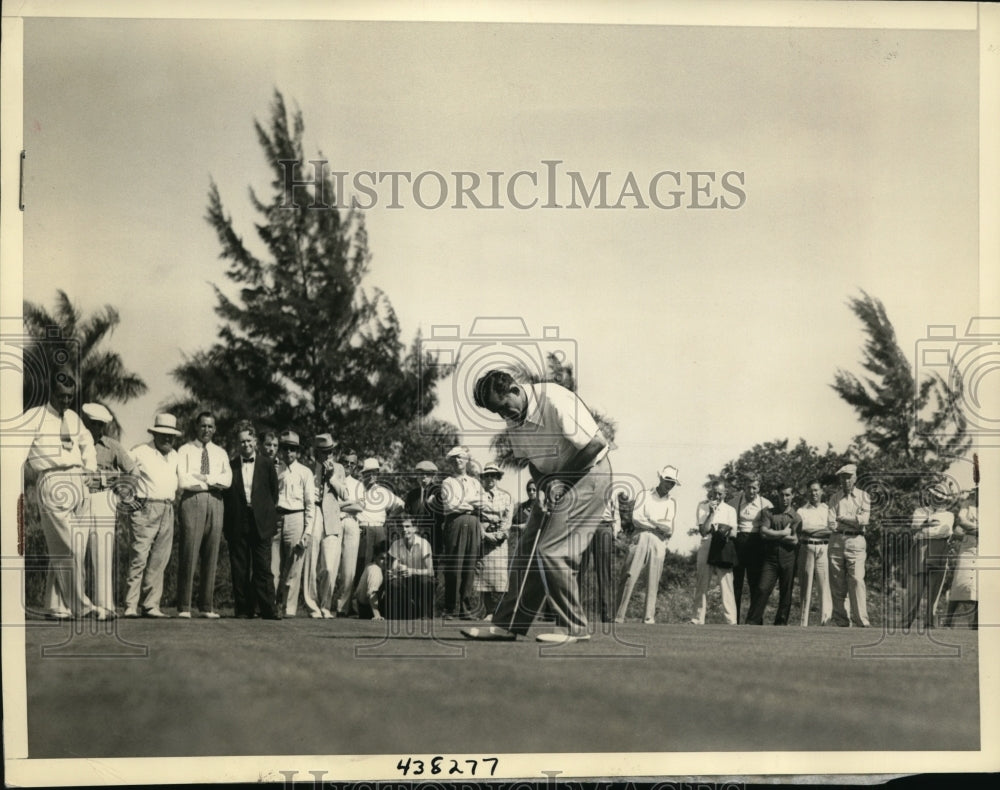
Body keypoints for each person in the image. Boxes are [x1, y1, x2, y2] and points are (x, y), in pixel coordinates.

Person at [463, 370, 612, 644]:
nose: (504, 415)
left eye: (504, 407)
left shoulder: (553, 399)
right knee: (527, 550)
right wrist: (544, 485)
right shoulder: (514, 417)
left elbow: (596, 445)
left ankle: (575, 628)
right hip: (558, 480)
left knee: (551, 552)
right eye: (497, 412)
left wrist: (559, 482)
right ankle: (507, 625)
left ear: (515, 389)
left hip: (590, 476)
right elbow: (532, 461)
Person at [23, 366, 98, 619]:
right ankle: (82, 606)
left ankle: (55, 605)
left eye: (69, 396)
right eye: (61, 396)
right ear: (50, 393)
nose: (65, 401)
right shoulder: (34, 416)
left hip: (78, 480)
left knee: (74, 546)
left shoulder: (74, 418)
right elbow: (17, 454)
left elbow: (87, 443)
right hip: (53, 479)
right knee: (69, 546)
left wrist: (90, 469)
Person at [80, 402, 139, 619]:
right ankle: (76, 605)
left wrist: (121, 488)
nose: (95, 429)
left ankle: (105, 606)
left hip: (104, 499)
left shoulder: (112, 446)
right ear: (85, 423)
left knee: (103, 551)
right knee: (75, 551)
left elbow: (133, 470)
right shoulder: (75, 445)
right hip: (79, 498)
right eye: (92, 424)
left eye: (99, 425)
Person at [123, 414, 181, 618]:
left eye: (171, 436)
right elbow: (122, 469)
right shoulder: (140, 451)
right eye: (163, 434)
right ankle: (130, 605)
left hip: (167, 508)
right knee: (139, 557)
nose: (167, 439)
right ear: (155, 433)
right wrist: (129, 500)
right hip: (145, 507)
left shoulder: (175, 455)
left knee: (160, 559)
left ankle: (150, 605)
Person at [176, 411, 232, 619]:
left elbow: (227, 481)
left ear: (214, 429)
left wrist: (205, 478)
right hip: (192, 501)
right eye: (203, 426)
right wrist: (211, 480)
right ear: (196, 427)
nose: (206, 430)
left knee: (212, 552)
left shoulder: (220, 452)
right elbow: (183, 480)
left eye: (210, 426)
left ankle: (206, 606)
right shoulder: (185, 450)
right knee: (189, 551)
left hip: (216, 501)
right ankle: (184, 606)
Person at [223, 424, 281, 620]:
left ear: (256, 442)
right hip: (238, 520)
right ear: (238, 444)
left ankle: (268, 609)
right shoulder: (231, 466)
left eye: (249, 440)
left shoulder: (266, 464)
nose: (246, 444)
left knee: (263, 567)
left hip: (261, 521)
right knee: (240, 567)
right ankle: (243, 609)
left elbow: (274, 494)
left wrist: (263, 512)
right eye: (242, 441)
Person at [614, 465, 679, 624]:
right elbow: (637, 519)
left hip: (659, 541)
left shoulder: (672, 502)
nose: (669, 485)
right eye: (667, 480)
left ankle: (648, 618)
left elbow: (669, 527)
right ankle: (618, 616)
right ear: (661, 478)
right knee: (629, 574)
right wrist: (658, 525)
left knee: (653, 579)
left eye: (672, 483)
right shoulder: (644, 495)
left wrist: (652, 522)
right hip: (641, 536)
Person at [273, 430, 316, 617]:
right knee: (273, 567)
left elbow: (309, 504)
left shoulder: (305, 472)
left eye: (292, 450)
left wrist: (307, 532)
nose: (288, 453)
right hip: (276, 518)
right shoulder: (275, 469)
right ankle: (271, 605)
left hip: (296, 518)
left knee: (293, 567)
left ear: (297, 452)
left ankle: (289, 609)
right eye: (285, 449)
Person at [901, 482, 954, 630]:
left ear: (944, 499)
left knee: (934, 593)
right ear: (930, 495)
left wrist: (925, 528)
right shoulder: (920, 511)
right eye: (934, 495)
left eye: (940, 497)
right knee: (914, 592)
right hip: (920, 553)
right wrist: (928, 527)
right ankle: (905, 625)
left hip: (939, 553)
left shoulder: (949, 515)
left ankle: (930, 625)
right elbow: (915, 528)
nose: (936, 499)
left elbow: (945, 531)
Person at [746, 485, 801, 626]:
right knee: (762, 589)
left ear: (792, 496)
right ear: (778, 495)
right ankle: (752, 623)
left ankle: (780, 625)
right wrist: (782, 534)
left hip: (788, 557)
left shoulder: (796, 516)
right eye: (782, 495)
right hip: (770, 558)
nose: (784, 498)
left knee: (786, 592)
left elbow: (794, 540)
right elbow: (763, 533)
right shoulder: (768, 512)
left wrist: (773, 535)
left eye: (788, 495)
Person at [440, 446, 484, 620]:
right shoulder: (448, 482)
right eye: (455, 458)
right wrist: (470, 503)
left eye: (461, 458)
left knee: (469, 566)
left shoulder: (475, 482)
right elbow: (451, 505)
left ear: (467, 460)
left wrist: (465, 502)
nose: (458, 461)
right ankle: (451, 608)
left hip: (473, 522)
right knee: (453, 565)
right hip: (455, 521)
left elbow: (483, 502)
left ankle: (466, 609)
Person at [827, 463, 871, 627]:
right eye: (843, 478)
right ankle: (841, 621)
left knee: (857, 580)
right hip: (837, 541)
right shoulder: (834, 498)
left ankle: (861, 621)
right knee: (837, 583)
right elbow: (831, 524)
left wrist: (843, 518)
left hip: (856, 541)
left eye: (848, 477)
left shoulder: (864, 497)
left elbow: (864, 521)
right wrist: (853, 520)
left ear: (855, 478)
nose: (846, 481)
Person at [690, 480, 738, 625]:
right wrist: (711, 514)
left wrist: (721, 530)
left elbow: (734, 533)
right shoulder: (703, 506)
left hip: (723, 545)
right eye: (714, 492)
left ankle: (731, 621)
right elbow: (703, 531)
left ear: (725, 494)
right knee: (702, 583)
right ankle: (697, 619)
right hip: (707, 543)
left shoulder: (730, 510)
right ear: (710, 492)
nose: (716, 496)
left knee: (726, 584)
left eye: (720, 493)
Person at [728, 472, 772, 624]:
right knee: (736, 584)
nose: (751, 491)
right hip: (739, 542)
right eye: (748, 487)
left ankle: (755, 621)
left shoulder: (766, 504)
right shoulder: (734, 502)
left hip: (757, 543)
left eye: (754, 488)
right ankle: (733, 620)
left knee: (756, 583)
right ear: (743, 487)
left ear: (759, 488)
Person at [354, 458, 404, 588]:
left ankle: (376, 600)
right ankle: (358, 601)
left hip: (380, 531)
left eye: (375, 473)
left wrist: (390, 518)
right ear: (363, 474)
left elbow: (401, 504)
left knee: (380, 565)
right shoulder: (357, 488)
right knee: (362, 565)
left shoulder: (382, 491)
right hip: (363, 530)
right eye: (368, 473)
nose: (372, 476)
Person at [475, 463, 513, 618]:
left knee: (499, 578)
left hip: (499, 542)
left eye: (494, 475)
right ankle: (488, 612)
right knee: (484, 579)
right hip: (484, 540)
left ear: (498, 478)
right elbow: (475, 517)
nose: (490, 478)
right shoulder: (477, 496)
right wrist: (484, 534)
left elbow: (508, 518)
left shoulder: (506, 496)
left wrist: (500, 534)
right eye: (487, 475)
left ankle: (499, 613)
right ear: (483, 478)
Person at [796, 480, 832, 626]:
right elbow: (803, 529)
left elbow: (831, 530)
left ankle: (824, 623)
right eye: (811, 490)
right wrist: (822, 529)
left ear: (821, 491)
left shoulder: (828, 509)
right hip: (807, 548)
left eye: (816, 490)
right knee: (806, 588)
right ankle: (803, 623)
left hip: (824, 549)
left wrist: (814, 530)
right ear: (807, 492)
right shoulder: (801, 511)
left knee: (824, 587)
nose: (814, 493)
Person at [333, 449, 364, 617]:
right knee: (331, 566)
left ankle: (342, 608)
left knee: (349, 569)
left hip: (351, 523)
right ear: (340, 461)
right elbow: (330, 504)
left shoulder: (358, 484)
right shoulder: (333, 479)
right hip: (335, 522)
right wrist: (349, 502)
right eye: (346, 462)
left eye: (352, 463)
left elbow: (359, 507)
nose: (349, 466)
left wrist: (341, 504)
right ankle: (325, 604)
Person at [386, 516, 435, 619]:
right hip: (405, 579)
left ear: (415, 529)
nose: (404, 530)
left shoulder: (424, 544)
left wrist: (412, 571)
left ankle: (426, 614)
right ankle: (400, 614)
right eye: (402, 527)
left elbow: (431, 571)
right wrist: (393, 573)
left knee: (426, 581)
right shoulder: (396, 544)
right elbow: (394, 567)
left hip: (420, 579)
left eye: (408, 526)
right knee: (393, 583)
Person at [947, 487, 979, 629]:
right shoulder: (968, 503)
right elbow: (961, 521)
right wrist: (979, 528)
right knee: (959, 582)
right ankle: (948, 620)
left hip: (985, 547)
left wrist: (971, 528)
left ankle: (976, 624)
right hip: (968, 548)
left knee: (980, 585)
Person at [404, 460, 443, 555]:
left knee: (432, 565)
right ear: (417, 476)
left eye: (428, 474)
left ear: (433, 476)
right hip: (415, 536)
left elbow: (443, 516)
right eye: (421, 473)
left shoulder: (439, 492)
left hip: (434, 536)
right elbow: (407, 516)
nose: (424, 476)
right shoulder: (412, 494)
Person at [259, 430, 282, 593]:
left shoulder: (283, 468)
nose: (271, 449)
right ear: (261, 446)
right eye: (268, 445)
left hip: (279, 520)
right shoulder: (255, 464)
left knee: (277, 565)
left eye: (275, 445)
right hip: (260, 521)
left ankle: (273, 600)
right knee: (261, 564)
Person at [354, 541, 388, 621]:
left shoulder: (374, 566)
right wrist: (377, 614)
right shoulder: (374, 569)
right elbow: (372, 593)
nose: (385, 562)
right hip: (367, 608)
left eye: (388, 559)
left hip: (367, 605)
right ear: (375, 557)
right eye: (382, 558)